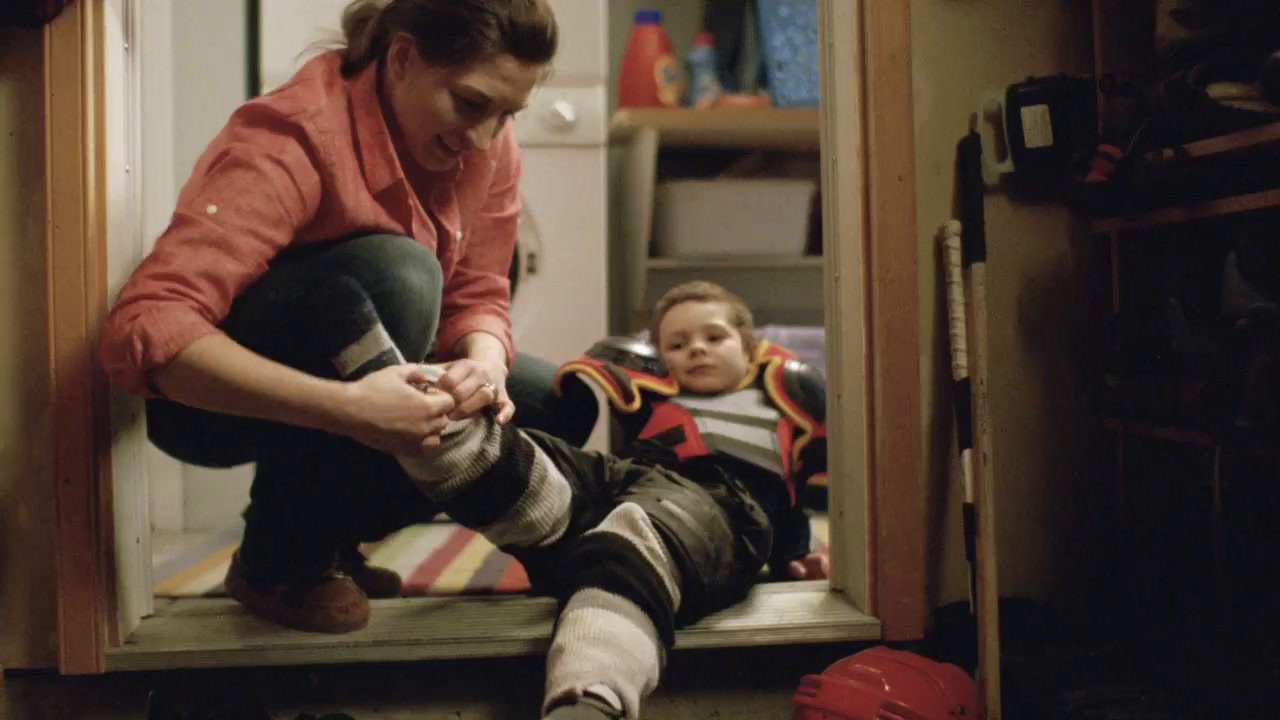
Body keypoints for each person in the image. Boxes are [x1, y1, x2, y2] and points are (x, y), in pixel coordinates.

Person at [97, 0, 600, 634]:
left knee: (554, 407)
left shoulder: (488, 145)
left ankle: (328, 534)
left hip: (357, 377)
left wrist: (484, 365)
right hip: (207, 406)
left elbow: (478, 292)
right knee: (405, 275)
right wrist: (353, 411)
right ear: (403, 58)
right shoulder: (293, 135)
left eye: (508, 114)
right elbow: (148, 329)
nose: (485, 137)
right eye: (470, 104)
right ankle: (282, 562)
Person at [387, 280, 830, 719]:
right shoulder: (651, 401)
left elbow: (787, 500)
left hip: (724, 505)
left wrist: (798, 556)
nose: (697, 349)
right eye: (677, 344)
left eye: (714, 337)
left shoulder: (778, 408)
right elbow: (615, 474)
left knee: (638, 531)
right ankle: (443, 423)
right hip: (638, 481)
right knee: (544, 455)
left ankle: (592, 697)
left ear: (750, 349)